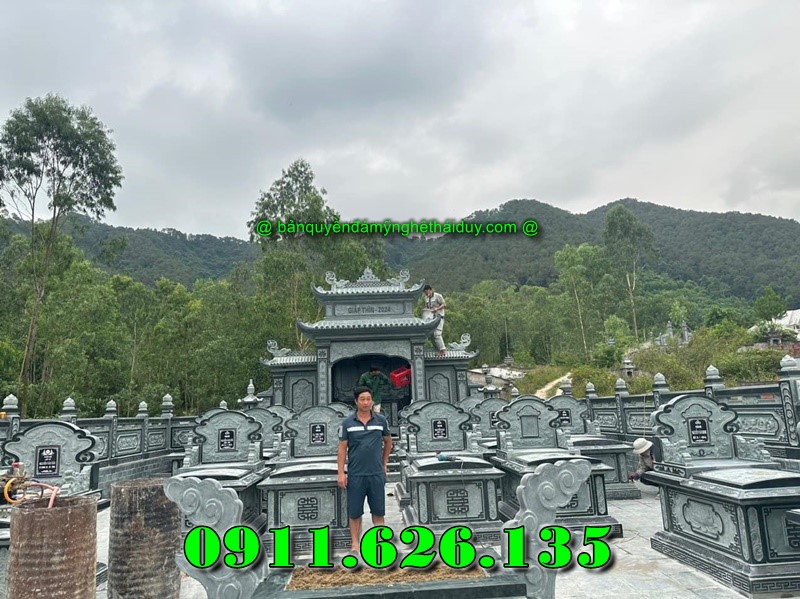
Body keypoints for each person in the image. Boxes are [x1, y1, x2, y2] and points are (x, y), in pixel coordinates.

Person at [338, 386, 393, 552]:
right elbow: (342, 448)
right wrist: (341, 473)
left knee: (378, 511)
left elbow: (388, 442)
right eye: (362, 399)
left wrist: (384, 463)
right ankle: (355, 542)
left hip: (376, 473)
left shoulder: (381, 421)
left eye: (369, 399)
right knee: (355, 511)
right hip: (356, 474)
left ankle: (379, 540)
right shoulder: (348, 423)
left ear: (372, 401)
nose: (366, 402)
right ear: (356, 401)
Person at [423, 284, 447, 356]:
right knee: (432, 335)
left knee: (437, 334)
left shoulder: (438, 296)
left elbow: (444, 305)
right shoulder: (426, 298)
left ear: (430, 290)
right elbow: (427, 307)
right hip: (431, 319)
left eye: (426, 292)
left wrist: (437, 309)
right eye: (425, 293)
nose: (426, 294)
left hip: (439, 317)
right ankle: (437, 349)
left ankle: (443, 350)